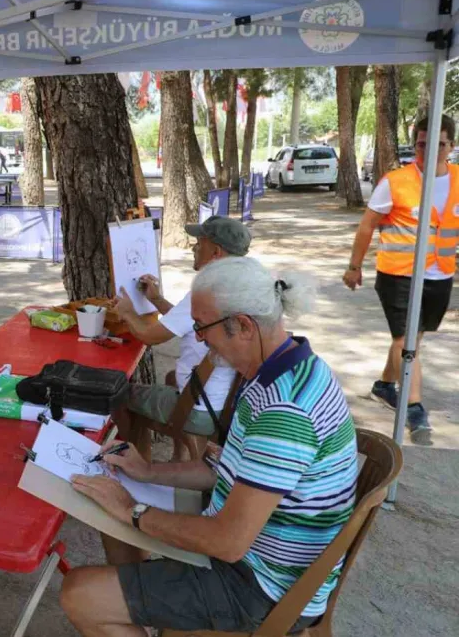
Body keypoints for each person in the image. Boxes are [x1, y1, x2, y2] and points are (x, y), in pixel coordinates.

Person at [60, 256, 358, 637]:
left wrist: (133, 510)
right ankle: (147, 593)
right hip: (258, 560)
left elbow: (228, 542)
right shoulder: (278, 368)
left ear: (243, 326)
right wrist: (148, 472)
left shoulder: (284, 411)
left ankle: (146, 598)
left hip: (262, 585)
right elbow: (225, 471)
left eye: (203, 328)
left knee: (79, 593)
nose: (199, 338)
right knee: (111, 515)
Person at [343, 114, 457, 445]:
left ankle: (384, 386)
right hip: (398, 275)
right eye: (423, 143)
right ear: (415, 144)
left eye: (438, 143)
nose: (429, 149)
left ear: (451, 146)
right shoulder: (395, 181)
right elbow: (367, 225)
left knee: (414, 339)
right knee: (406, 339)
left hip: (440, 275)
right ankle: (415, 408)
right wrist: (354, 266)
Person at [113, 215, 251, 458]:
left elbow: (150, 337)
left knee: (119, 396)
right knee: (169, 377)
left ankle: (138, 466)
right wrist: (156, 300)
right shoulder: (239, 286)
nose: (193, 247)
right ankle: (178, 458)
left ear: (216, 252)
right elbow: (188, 322)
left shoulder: (206, 292)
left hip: (201, 408)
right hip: (223, 402)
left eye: (199, 242)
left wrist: (127, 313)